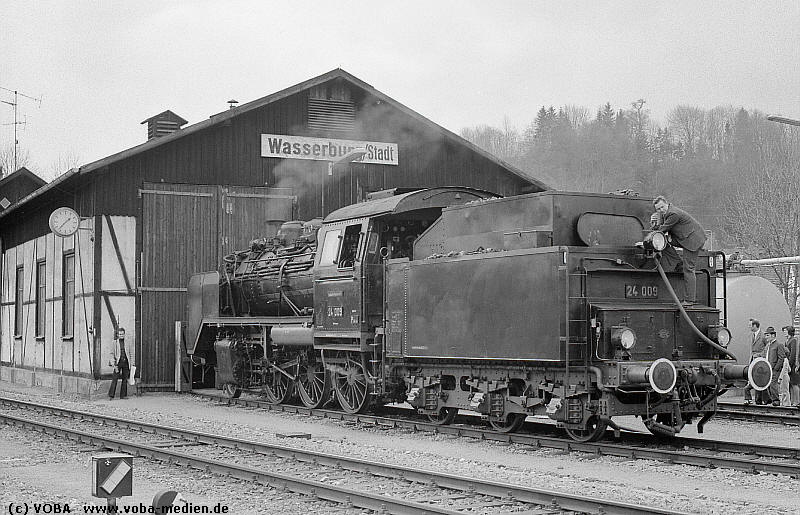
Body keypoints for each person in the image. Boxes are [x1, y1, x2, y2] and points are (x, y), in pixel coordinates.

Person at [650, 195, 707, 305]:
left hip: (692, 240)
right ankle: (679, 263)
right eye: (658, 209)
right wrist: (654, 223)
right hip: (684, 237)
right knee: (665, 242)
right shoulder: (665, 214)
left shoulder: (673, 214)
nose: (661, 210)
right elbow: (660, 229)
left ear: (667, 204)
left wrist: (645, 242)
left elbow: (662, 230)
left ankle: (689, 300)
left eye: (662, 207)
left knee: (689, 270)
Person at [744, 318, 768, 405]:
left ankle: (761, 399)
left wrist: (760, 355)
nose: (749, 327)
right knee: (752, 378)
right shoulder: (751, 335)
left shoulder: (763, 335)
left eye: (750, 325)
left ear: (755, 326)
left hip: (760, 361)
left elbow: (767, 347)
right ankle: (754, 399)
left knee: (759, 379)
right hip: (752, 360)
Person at [764, 327, 787, 407]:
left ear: (773, 335)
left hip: (774, 369)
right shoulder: (768, 346)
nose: (766, 337)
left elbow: (781, 357)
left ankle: (776, 401)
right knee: (769, 384)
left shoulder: (778, 345)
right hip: (769, 369)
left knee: (773, 384)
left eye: (767, 335)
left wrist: (776, 368)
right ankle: (772, 399)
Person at [108, 332, 131, 400]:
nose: (121, 335)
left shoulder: (127, 343)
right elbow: (111, 354)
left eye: (122, 334)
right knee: (115, 378)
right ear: (118, 335)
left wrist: (132, 363)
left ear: (124, 334)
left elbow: (131, 353)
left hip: (126, 362)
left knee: (125, 379)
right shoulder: (115, 343)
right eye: (120, 334)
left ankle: (123, 395)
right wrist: (113, 363)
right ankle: (111, 395)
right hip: (118, 363)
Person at [784, 326, 799, 406]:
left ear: (789, 332)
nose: (784, 333)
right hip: (788, 365)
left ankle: (797, 400)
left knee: (794, 383)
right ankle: (792, 401)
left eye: (786, 331)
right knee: (790, 383)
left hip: (792, 366)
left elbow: (792, 354)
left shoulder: (793, 340)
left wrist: (789, 365)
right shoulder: (787, 341)